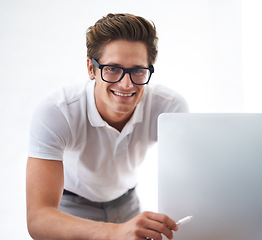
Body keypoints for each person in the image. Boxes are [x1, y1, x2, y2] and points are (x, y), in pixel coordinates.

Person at [26, 13, 188, 240]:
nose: (126, 83)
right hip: (72, 207)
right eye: (112, 69)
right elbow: (39, 218)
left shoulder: (169, 107)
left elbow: (188, 180)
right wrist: (116, 232)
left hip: (127, 203)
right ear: (91, 69)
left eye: (138, 70)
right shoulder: (58, 112)